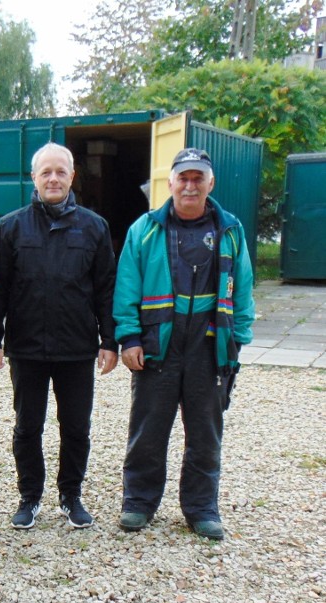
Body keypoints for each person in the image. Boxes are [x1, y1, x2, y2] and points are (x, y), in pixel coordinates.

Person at [113, 148, 255, 540]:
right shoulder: (144, 229)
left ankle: (201, 507)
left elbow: (243, 288)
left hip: (209, 346)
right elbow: (126, 287)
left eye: (198, 178)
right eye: (183, 178)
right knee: (147, 429)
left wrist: (238, 340)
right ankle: (138, 502)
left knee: (206, 433)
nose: (190, 185)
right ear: (171, 182)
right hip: (158, 344)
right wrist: (128, 337)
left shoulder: (230, 230)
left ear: (211, 183)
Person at [0, 142, 118, 531]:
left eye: (61, 172)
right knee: (28, 426)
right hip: (27, 348)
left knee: (76, 426)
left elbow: (105, 289)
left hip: (77, 347)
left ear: (72, 176)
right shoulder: (10, 227)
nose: (53, 178)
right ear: (34, 178)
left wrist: (109, 341)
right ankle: (30, 496)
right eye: (46, 172)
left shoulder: (94, 227)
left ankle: (71, 495)